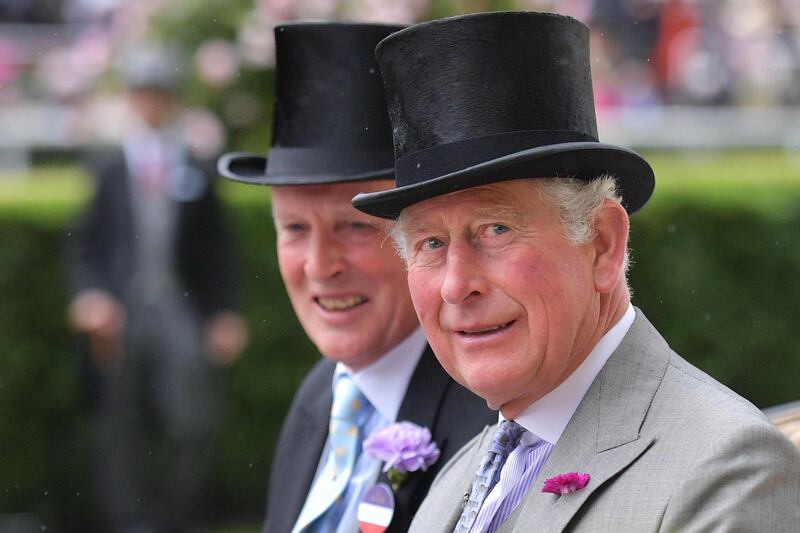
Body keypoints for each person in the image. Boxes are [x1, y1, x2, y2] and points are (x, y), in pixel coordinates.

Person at [352, 11, 800, 532]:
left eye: (495, 229)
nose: (456, 285)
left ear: (603, 244)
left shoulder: (724, 473)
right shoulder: (456, 481)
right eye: (431, 242)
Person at [217, 22, 495, 533]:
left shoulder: (489, 417)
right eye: (295, 228)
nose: (320, 265)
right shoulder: (320, 396)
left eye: (353, 227)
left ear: (427, 236)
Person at [67, 43, 248, 532]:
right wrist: (89, 296)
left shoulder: (193, 164)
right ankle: (127, 519)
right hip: (122, 309)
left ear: (171, 99)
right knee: (118, 422)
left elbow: (217, 248)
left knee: (191, 418)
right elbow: (86, 245)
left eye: (159, 93)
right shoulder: (107, 167)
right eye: (143, 93)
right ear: (132, 99)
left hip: (180, 307)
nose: (151, 103)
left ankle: (182, 516)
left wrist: (225, 311)